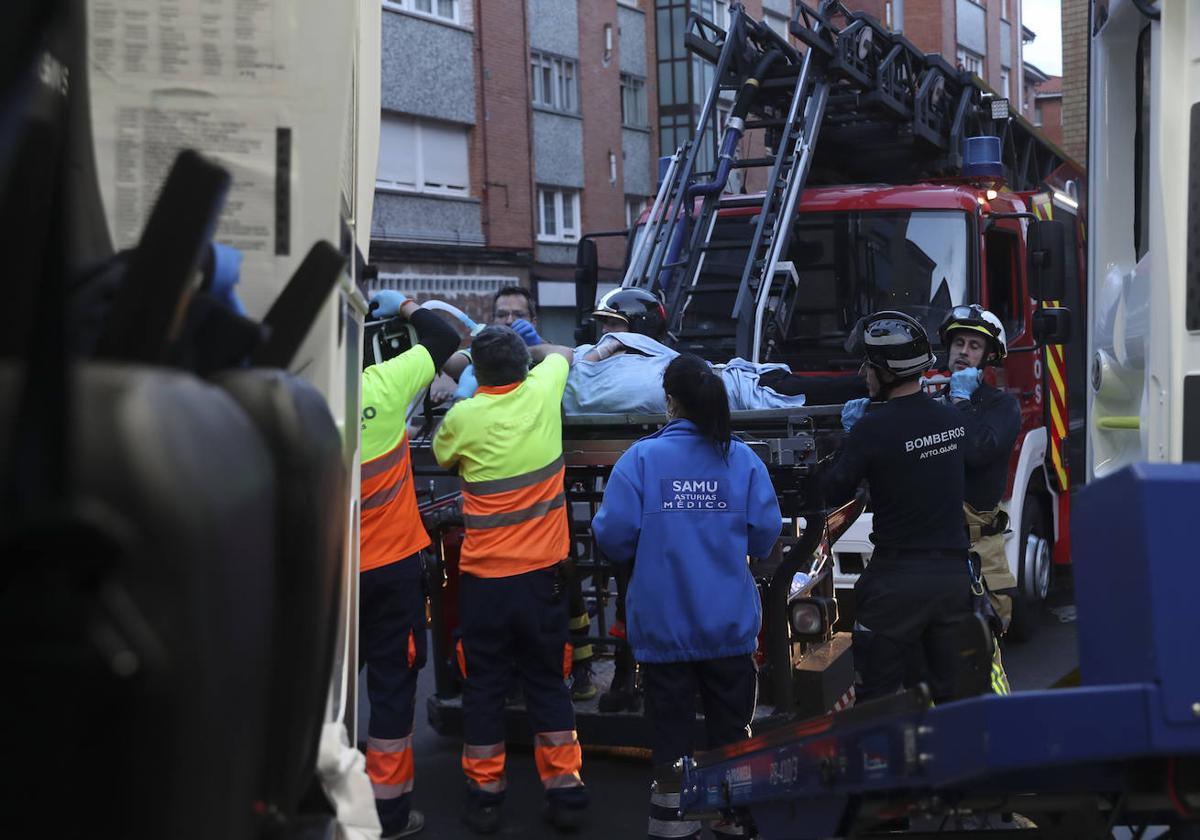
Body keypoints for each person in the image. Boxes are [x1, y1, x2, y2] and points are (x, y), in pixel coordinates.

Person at [592, 353, 782, 840]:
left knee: (671, 737)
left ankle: (672, 825)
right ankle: (733, 819)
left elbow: (613, 536)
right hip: (729, 626)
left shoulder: (640, 460)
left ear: (670, 401)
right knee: (731, 733)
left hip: (663, 626)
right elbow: (764, 536)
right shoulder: (741, 459)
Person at [432, 326, 590, 835]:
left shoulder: (463, 416)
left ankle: (485, 795)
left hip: (486, 582)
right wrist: (535, 347)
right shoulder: (544, 391)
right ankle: (565, 791)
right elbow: (562, 353)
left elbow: (442, 457)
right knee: (548, 681)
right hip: (543, 580)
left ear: (478, 373)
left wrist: (466, 361)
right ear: (524, 366)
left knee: (484, 685)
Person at [822, 311, 981, 704]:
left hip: (896, 583)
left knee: (877, 699)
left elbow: (831, 489)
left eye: (869, 365)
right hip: (952, 580)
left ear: (887, 371)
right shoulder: (952, 418)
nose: (863, 373)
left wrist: (846, 440)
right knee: (952, 697)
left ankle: (888, 764)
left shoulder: (872, 429)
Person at [360, 290, 460, 839]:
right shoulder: (380, 385)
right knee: (393, 691)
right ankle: (388, 814)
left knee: (319, 691)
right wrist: (406, 309)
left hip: (324, 576)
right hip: (392, 570)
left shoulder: (290, 394)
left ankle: (310, 801)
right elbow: (445, 340)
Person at [939, 305, 1022, 694]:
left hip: (977, 550)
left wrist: (960, 403)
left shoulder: (1001, 406)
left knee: (982, 653)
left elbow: (976, 451)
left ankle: (999, 734)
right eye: (958, 342)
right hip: (931, 547)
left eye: (974, 346)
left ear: (988, 357)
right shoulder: (930, 401)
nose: (963, 351)